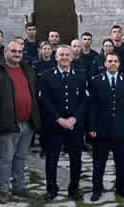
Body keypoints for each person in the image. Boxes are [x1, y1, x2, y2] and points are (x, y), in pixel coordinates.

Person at [0, 39, 42, 204]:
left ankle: (19, 187)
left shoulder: (27, 70)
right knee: (5, 159)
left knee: (21, 158)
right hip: (7, 123)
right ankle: (3, 190)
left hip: (27, 123)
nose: (17, 54)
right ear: (5, 52)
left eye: (19, 52)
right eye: (13, 51)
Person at [39, 45, 89, 201]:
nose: (64, 57)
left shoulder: (81, 75)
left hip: (74, 125)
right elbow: (45, 101)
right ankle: (51, 189)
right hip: (54, 125)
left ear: (72, 57)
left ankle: (74, 189)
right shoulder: (46, 76)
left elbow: (84, 100)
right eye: (61, 55)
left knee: (76, 159)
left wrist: (75, 118)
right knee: (52, 159)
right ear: (56, 57)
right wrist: (59, 119)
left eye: (67, 55)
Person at [88, 53, 124, 201]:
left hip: (121, 129)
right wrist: (92, 127)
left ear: (119, 63)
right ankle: (97, 189)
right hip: (101, 129)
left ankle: (122, 188)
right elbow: (92, 107)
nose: (113, 63)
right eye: (110, 61)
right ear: (105, 64)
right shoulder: (96, 81)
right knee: (99, 163)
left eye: (115, 61)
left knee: (121, 163)